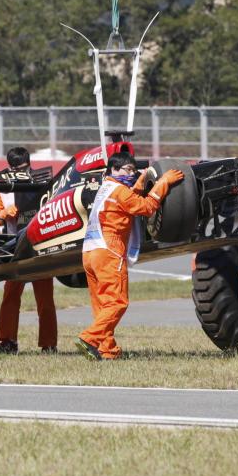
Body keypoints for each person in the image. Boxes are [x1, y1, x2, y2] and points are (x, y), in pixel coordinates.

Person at [76, 152, 184, 361]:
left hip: (90, 250)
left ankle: (108, 350)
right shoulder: (119, 192)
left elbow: (128, 200)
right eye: (128, 170)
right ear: (114, 170)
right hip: (109, 248)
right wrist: (163, 183)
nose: (132, 174)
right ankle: (89, 338)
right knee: (117, 302)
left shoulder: (107, 188)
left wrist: (141, 181)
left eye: (134, 170)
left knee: (102, 304)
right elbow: (145, 207)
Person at [0, 146, 58, 355]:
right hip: (14, 245)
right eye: (18, 169)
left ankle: (49, 344)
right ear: (9, 168)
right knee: (10, 294)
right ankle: (7, 341)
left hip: (40, 244)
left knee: (45, 296)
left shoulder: (43, 182)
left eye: (25, 168)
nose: (23, 172)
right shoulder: (2, 186)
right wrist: (2, 213)